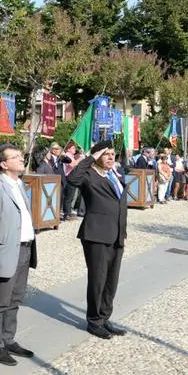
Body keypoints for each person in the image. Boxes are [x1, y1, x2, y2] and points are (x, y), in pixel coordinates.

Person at [66, 139, 128, 340]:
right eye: (106, 154)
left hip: (117, 234)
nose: (110, 157)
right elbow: (72, 179)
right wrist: (90, 158)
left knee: (112, 280)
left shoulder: (113, 175)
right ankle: (93, 321)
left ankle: (104, 317)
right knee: (98, 279)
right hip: (96, 234)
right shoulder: (88, 175)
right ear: (97, 157)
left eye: (112, 154)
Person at [0, 144, 38, 366]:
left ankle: (8, 338)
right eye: (15, 157)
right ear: (3, 164)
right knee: (0, 299)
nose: (21, 159)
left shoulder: (19, 184)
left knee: (16, 298)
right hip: (7, 249)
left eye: (21, 155)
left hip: (25, 247)